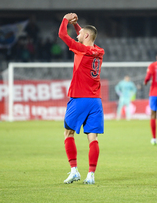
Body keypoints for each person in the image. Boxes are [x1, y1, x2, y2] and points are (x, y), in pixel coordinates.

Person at [58, 13, 105, 185]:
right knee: (93, 138)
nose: (77, 35)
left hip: (79, 98)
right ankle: (91, 175)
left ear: (85, 36)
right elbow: (86, 37)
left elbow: (62, 35)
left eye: (80, 34)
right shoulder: (99, 52)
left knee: (68, 133)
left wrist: (65, 19)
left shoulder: (82, 49)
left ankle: (74, 171)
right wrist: (77, 26)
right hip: (95, 100)